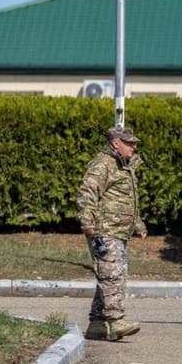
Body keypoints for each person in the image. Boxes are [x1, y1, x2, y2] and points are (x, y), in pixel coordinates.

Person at [77, 126, 147, 341]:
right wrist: (88, 225)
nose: (134, 147)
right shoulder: (103, 165)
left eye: (134, 143)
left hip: (118, 231)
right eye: (129, 143)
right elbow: (87, 193)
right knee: (112, 275)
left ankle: (97, 324)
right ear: (116, 143)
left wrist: (137, 224)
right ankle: (116, 321)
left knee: (109, 275)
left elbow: (125, 200)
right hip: (104, 230)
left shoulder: (123, 166)